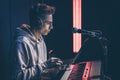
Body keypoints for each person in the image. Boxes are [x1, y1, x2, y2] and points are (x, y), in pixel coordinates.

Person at [9, 3, 63, 80]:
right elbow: (17, 77)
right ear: (38, 22)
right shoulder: (21, 43)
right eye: (49, 23)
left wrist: (52, 70)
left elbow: (40, 71)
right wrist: (44, 65)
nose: (52, 27)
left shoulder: (41, 40)